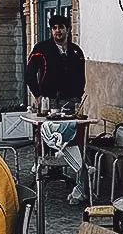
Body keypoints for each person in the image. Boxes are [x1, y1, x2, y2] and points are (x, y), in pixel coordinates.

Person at [25, 14, 89, 204]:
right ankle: (42, 167)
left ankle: (76, 175)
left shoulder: (76, 51)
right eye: (54, 28)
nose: (58, 31)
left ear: (68, 29)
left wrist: (78, 96)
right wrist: (38, 95)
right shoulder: (41, 49)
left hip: (70, 102)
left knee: (73, 137)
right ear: (51, 30)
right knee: (44, 136)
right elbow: (30, 74)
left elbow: (81, 76)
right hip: (49, 102)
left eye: (61, 27)